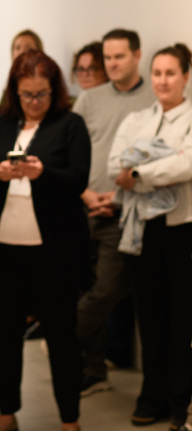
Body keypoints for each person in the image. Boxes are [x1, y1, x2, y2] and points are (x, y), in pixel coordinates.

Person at [0, 50, 90, 431]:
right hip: (3, 253)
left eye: (41, 94)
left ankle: (69, 420)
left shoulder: (70, 124)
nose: (34, 101)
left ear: (54, 90)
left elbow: (78, 179)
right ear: (15, 91)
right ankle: (7, 413)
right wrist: (1, 173)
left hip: (54, 255)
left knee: (62, 340)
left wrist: (42, 172)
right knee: (5, 339)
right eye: (27, 94)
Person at [108, 43, 192, 429]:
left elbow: (185, 165)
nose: (162, 80)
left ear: (186, 77)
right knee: (151, 318)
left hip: (182, 230)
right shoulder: (137, 118)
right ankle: (152, 396)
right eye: (157, 73)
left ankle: (180, 404)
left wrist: (140, 172)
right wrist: (157, 164)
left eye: (170, 73)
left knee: (182, 320)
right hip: (141, 230)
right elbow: (115, 165)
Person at [72, 29, 156, 398]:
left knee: (105, 291)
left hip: (127, 213)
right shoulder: (90, 99)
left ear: (137, 56)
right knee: (83, 286)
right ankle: (92, 370)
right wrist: (87, 194)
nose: (112, 64)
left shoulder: (155, 98)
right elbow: (70, 151)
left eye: (119, 57)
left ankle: (62, 335)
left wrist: (119, 197)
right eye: (108, 58)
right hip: (86, 207)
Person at [0, 30, 44, 113]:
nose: (22, 52)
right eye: (17, 48)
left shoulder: (46, 80)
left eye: (28, 48)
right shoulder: (10, 85)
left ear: (39, 52)